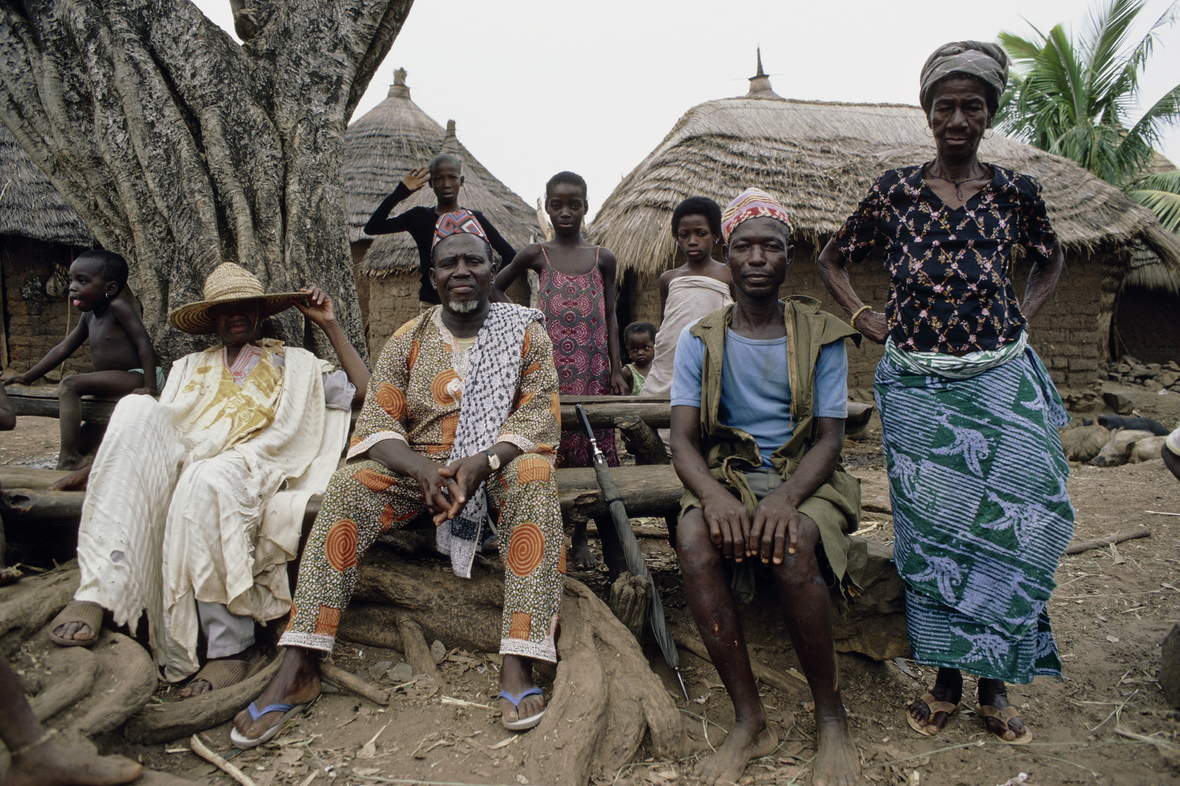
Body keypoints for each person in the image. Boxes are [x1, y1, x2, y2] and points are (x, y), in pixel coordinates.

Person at [818, 41, 1073, 745]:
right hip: (917, 388)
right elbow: (833, 256)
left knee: (1008, 526)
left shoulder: (1015, 192)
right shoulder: (895, 189)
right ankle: (947, 681)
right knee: (934, 537)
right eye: (944, 105)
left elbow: (1051, 257)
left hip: (998, 379)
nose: (957, 117)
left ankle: (995, 683)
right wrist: (862, 314)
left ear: (989, 112)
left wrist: (1023, 313)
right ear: (926, 112)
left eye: (972, 105)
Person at [233, 212, 565, 747]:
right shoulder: (408, 337)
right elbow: (378, 423)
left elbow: (538, 418)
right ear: (432, 275)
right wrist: (421, 468)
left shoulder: (525, 332)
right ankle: (300, 664)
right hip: (419, 468)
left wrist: (481, 462)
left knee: (533, 476)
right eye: (449, 262)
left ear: (492, 269)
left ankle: (520, 658)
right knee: (346, 487)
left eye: (473, 260)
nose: (462, 269)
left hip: (497, 462)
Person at [47, 263, 369, 699]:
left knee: (207, 479)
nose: (234, 315)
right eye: (223, 309)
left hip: (248, 464)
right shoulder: (187, 367)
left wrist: (330, 324)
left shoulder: (295, 363)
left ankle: (229, 650)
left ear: (258, 313)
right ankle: (98, 590)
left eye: (244, 307)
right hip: (186, 462)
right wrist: (97, 468)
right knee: (135, 409)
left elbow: (367, 392)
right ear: (211, 319)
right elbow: (160, 430)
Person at [671, 188, 863, 786]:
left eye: (771, 247)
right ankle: (749, 718)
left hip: (804, 474)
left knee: (793, 542)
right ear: (727, 255)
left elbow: (830, 440)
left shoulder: (821, 334)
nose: (757, 257)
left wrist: (785, 498)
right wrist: (714, 496)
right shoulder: (700, 339)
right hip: (727, 471)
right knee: (695, 540)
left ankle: (831, 717)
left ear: (788, 257)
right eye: (745, 246)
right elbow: (683, 442)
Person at [494, 171, 627, 569]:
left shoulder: (603, 257)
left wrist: (617, 369)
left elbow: (611, 313)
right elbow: (494, 286)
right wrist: (525, 320)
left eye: (574, 205)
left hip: (593, 369)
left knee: (590, 448)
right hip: (549, 367)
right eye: (557, 205)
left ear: (586, 208)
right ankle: (552, 537)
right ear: (547, 207)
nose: (565, 212)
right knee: (552, 447)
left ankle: (585, 536)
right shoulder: (537, 254)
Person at [3, 250, 159, 472]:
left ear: (110, 288)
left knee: (69, 384)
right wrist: (27, 377)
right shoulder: (88, 316)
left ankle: (69, 458)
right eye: (71, 280)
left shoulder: (118, 307)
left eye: (82, 281)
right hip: (113, 382)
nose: (72, 287)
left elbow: (144, 344)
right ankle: (68, 463)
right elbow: (63, 348)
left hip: (137, 375)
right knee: (86, 435)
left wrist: (149, 386)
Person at [364, 154, 518, 309]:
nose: (446, 184)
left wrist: (489, 286)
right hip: (432, 304)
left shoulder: (473, 219)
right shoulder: (419, 217)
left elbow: (509, 255)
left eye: (452, 177)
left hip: (470, 306)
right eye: (438, 179)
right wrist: (400, 193)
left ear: (461, 181)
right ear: (431, 183)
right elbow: (372, 227)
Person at [641, 197, 733, 403]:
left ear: (716, 235)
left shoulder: (728, 275)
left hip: (713, 354)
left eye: (701, 233)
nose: (692, 240)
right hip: (671, 360)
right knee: (658, 405)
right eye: (684, 235)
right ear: (677, 237)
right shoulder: (669, 278)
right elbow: (667, 325)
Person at [621, 321, 656, 395]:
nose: (640, 353)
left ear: (654, 346)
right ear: (628, 350)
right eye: (634, 349)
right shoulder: (628, 372)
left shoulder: (658, 368)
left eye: (645, 347)